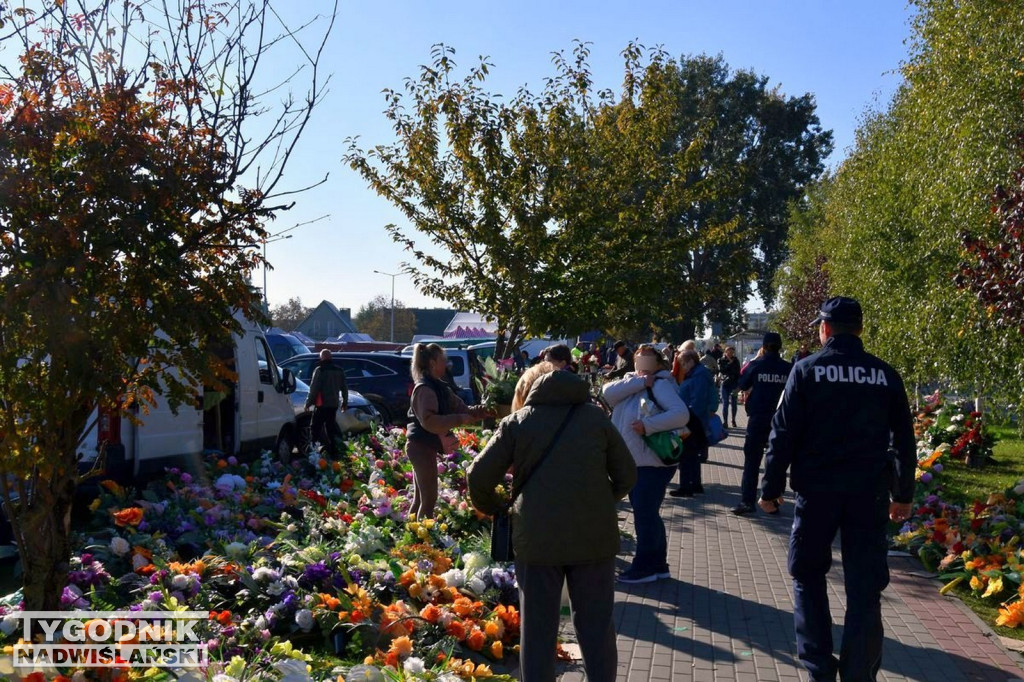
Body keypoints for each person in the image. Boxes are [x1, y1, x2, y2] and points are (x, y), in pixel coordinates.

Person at [758, 297, 916, 681]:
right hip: (869, 494)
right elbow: (904, 439)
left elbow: (783, 433)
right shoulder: (885, 374)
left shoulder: (807, 370)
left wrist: (770, 488)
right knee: (865, 587)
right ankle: (859, 675)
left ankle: (819, 670)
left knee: (808, 576)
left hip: (818, 492)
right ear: (859, 329)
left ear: (825, 328)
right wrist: (904, 494)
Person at [467, 367, 636, 682]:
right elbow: (627, 474)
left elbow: (477, 477)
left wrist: (497, 509)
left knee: (538, 629)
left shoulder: (518, 422)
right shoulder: (596, 419)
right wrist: (600, 501)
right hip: (594, 538)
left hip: (536, 540)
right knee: (597, 626)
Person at [603, 344, 690, 583]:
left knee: (645, 515)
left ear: (658, 364)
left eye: (647, 361)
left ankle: (645, 567)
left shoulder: (662, 384)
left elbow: (681, 414)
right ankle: (658, 565)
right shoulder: (633, 382)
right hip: (636, 461)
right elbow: (607, 393)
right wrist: (641, 381)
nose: (641, 365)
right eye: (638, 360)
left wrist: (648, 426)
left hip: (651, 462)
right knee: (648, 514)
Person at [406, 343, 489, 518]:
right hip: (420, 446)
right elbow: (430, 422)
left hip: (424, 446)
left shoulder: (440, 386)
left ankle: (412, 534)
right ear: (432, 363)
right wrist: (459, 419)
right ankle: (422, 539)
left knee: (421, 498)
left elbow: (462, 408)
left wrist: (482, 411)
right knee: (428, 499)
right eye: (443, 360)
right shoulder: (425, 389)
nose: (447, 364)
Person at [731, 332, 792, 515]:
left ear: (763, 347)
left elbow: (741, 383)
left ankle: (747, 501)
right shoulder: (788, 368)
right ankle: (773, 501)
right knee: (777, 462)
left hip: (758, 418)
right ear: (780, 347)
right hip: (781, 420)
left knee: (752, 462)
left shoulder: (756, 365)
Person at [670, 349, 716, 497]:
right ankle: (695, 484)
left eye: (684, 363)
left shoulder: (699, 376)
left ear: (691, 361)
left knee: (686, 454)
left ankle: (686, 487)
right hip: (695, 419)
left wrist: (686, 417)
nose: (682, 366)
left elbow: (698, 400)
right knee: (693, 455)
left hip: (692, 420)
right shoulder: (698, 373)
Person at [304, 349, 348, 457]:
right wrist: (344, 402)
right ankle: (333, 452)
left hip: (321, 405)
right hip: (333, 405)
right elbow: (344, 388)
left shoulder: (320, 370)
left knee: (315, 428)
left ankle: (312, 451)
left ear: (321, 358)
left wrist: (308, 403)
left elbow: (313, 389)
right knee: (330, 429)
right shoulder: (339, 371)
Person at [718, 346, 741, 427]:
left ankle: (733, 420)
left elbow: (738, 372)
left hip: (734, 384)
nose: (730, 353)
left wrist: (739, 385)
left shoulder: (736, 360)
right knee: (725, 403)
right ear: (725, 351)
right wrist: (729, 364)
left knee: (734, 403)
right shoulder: (721, 360)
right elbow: (722, 370)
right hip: (725, 384)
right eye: (728, 351)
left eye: (732, 352)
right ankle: (725, 422)